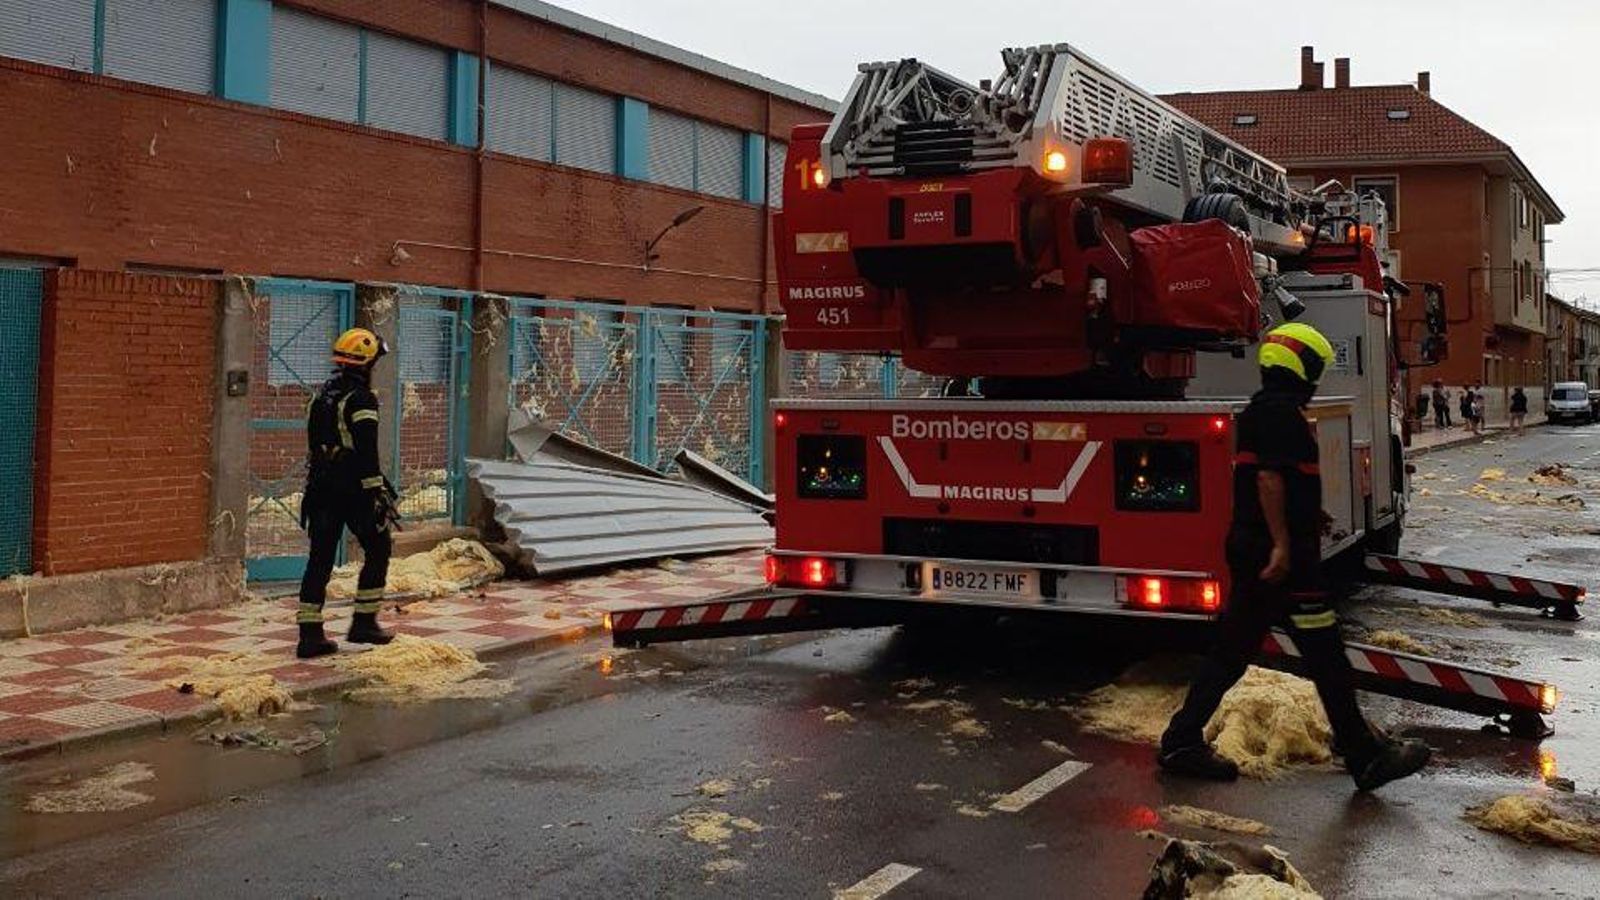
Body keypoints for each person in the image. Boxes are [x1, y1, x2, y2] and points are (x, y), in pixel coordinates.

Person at [1158, 322, 1431, 792]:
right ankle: (1364, 755)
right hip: (1282, 562)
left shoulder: (1261, 411)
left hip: (1256, 552)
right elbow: (1269, 480)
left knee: (1231, 652)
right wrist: (1285, 543)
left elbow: (1277, 479)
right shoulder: (1283, 415)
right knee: (1327, 657)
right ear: (1303, 368)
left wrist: (1311, 515)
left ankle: (1181, 740)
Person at [296, 327, 400, 659]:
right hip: (352, 490)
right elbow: (367, 452)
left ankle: (310, 636)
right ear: (366, 363)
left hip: (321, 487)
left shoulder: (322, 396)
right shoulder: (361, 400)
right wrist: (378, 493)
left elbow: (316, 445)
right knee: (379, 547)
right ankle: (364, 623)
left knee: (320, 559)